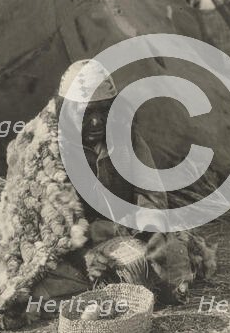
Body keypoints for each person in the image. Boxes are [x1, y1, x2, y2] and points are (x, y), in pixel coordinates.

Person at [56, 59, 168, 238]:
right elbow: (52, 218)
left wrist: (146, 221)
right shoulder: (51, 149)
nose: (96, 121)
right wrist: (101, 231)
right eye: (86, 113)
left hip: (129, 230)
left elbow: (151, 192)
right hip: (80, 239)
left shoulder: (126, 139)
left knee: (169, 251)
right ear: (67, 111)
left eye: (104, 111)